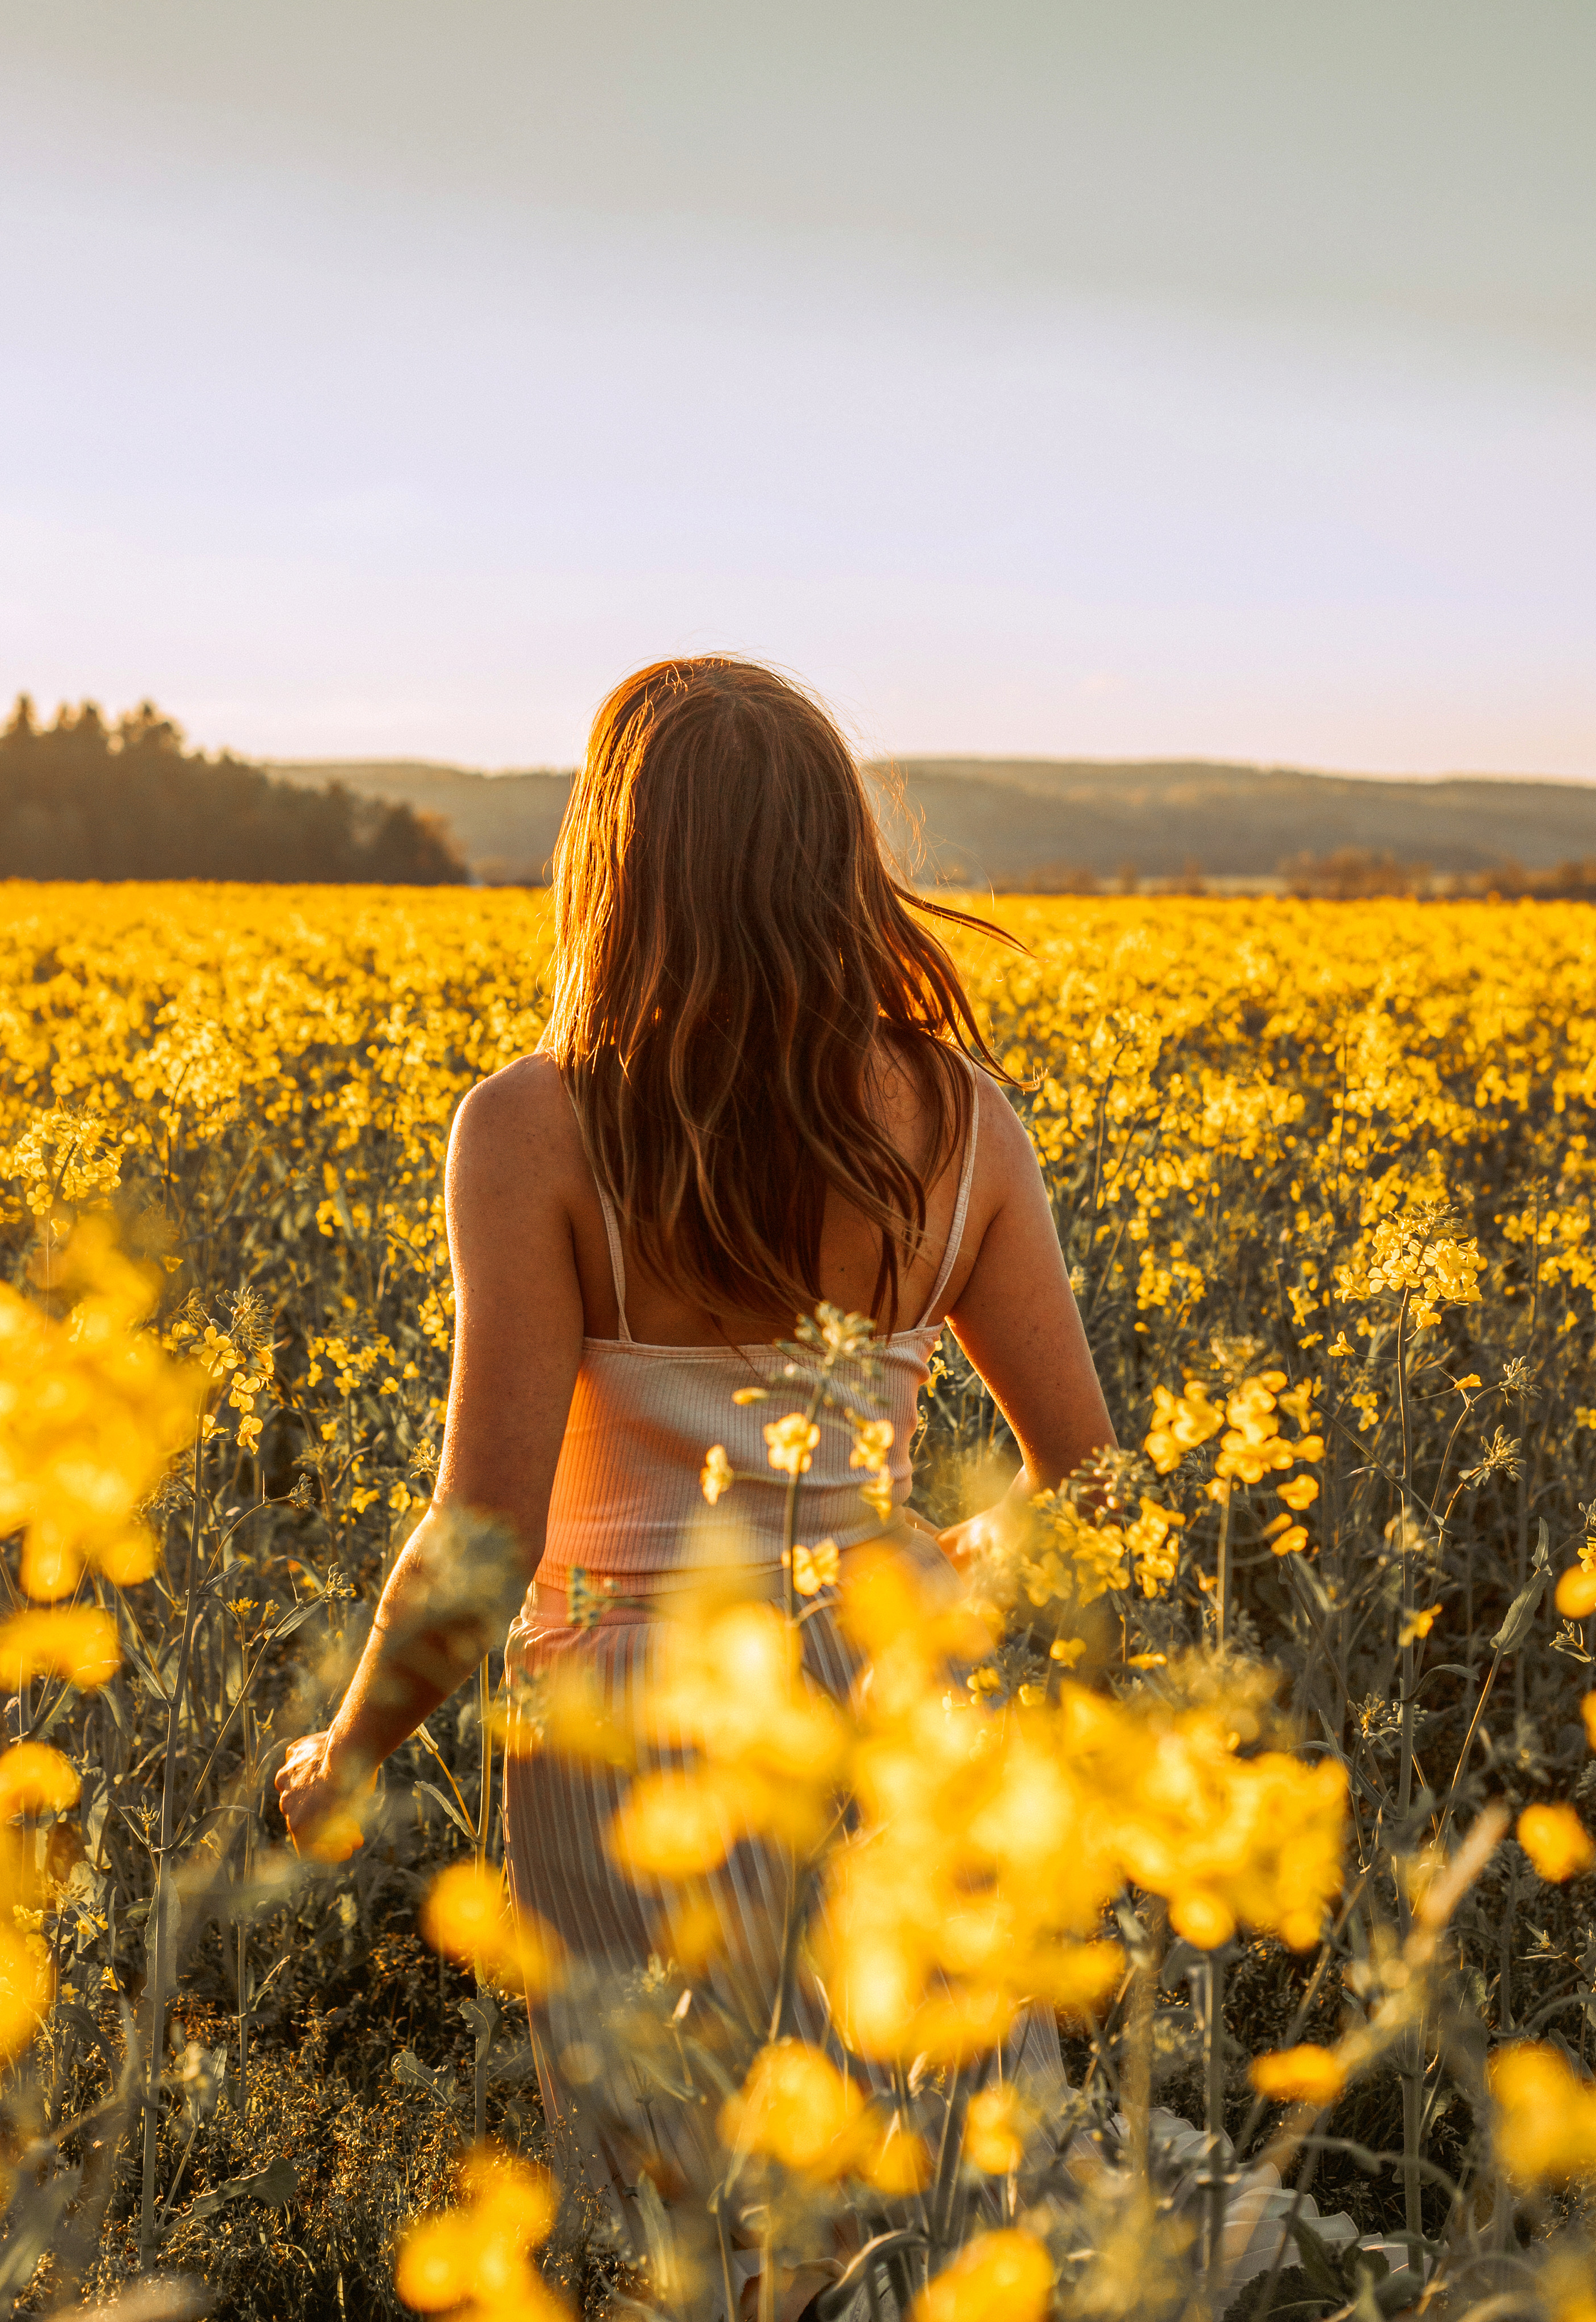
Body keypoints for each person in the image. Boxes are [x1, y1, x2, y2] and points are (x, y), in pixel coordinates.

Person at [277, 656, 1117, 2313]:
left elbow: (485, 1534)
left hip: (624, 1732)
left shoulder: (532, 1128)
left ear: (613, 859)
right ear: (836, 860)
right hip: (890, 1700)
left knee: (692, 2232)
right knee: (941, 2188)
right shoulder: (960, 1123)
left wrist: (348, 1756)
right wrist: (940, 1569)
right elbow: (1088, 1479)